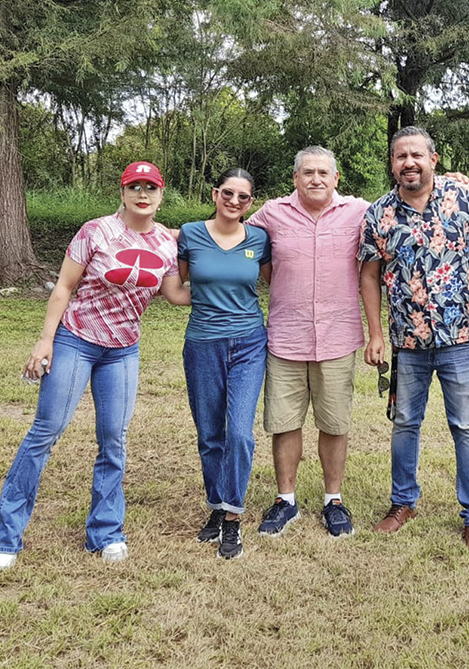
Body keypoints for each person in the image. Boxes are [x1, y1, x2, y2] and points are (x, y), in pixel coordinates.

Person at [0, 161, 190, 570]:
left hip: (123, 350)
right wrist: (45, 341)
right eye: (135, 186)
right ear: (122, 192)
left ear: (161, 194)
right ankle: (6, 535)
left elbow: (176, 294)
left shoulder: (167, 244)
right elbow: (63, 287)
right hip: (76, 340)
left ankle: (106, 532)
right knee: (47, 431)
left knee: (114, 440)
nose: (143, 194)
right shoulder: (95, 231)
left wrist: (224, 276)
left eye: (151, 187)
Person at [358, 126, 469, 558]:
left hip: (460, 337)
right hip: (408, 341)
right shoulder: (379, 214)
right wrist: (375, 334)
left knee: (467, 426)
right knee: (404, 423)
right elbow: (369, 274)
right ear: (392, 164)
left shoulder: (465, 196)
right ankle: (403, 503)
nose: (409, 163)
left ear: (433, 159)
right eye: (400, 156)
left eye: (416, 155)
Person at [247, 146, 369, 538]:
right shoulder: (271, 213)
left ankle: (334, 499)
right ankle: (286, 499)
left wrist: (451, 183)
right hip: (286, 336)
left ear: (336, 178)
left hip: (337, 337)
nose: (316, 179)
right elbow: (231, 234)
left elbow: (404, 210)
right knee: (284, 422)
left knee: (334, 422)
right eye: (308, 172)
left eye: (323, 173)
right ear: (295, 178)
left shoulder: (359, 211)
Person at [178, 168, 271, 560]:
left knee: (240, 434)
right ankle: (216, 506)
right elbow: (177, 286)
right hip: (203, 344)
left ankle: (232, 517)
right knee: (209, 433)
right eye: (228, 193)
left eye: (243, 197)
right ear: (215, 193)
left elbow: (274, 282)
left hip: (249, 343)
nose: (234, 201)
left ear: (251, 202)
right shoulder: (189, 234)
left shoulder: (260, 238)